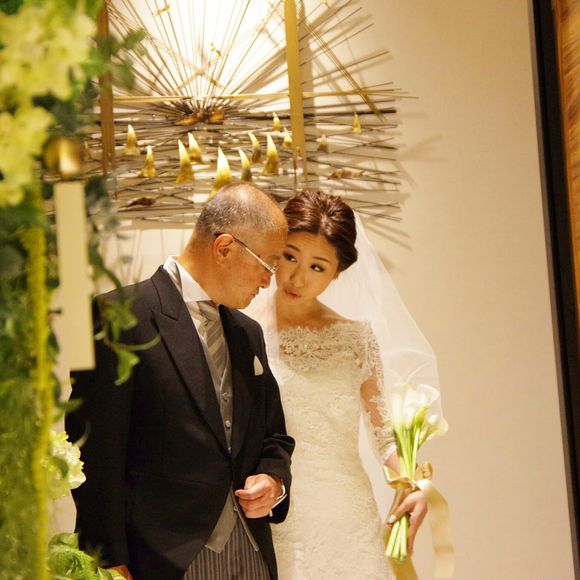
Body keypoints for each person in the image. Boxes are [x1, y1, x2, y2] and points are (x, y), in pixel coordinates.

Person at [65, 183, 295, 580]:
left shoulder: (247, 333)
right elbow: (95, 448)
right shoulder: (119, 316)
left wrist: (274, 479)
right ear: (224, 248)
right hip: (162, 558)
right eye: (268, 264)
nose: (267, 281)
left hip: (252, 552)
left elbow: (273, 435)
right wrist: (106, 558)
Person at [246, 190, 441, 579]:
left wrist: (414, 482)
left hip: (346, 517)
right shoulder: (243, 330)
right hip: (270, 514)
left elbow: (384, 435)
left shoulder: (355, 339)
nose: (297, 277)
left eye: (317, 267)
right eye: (290, 257)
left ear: (337, 272)